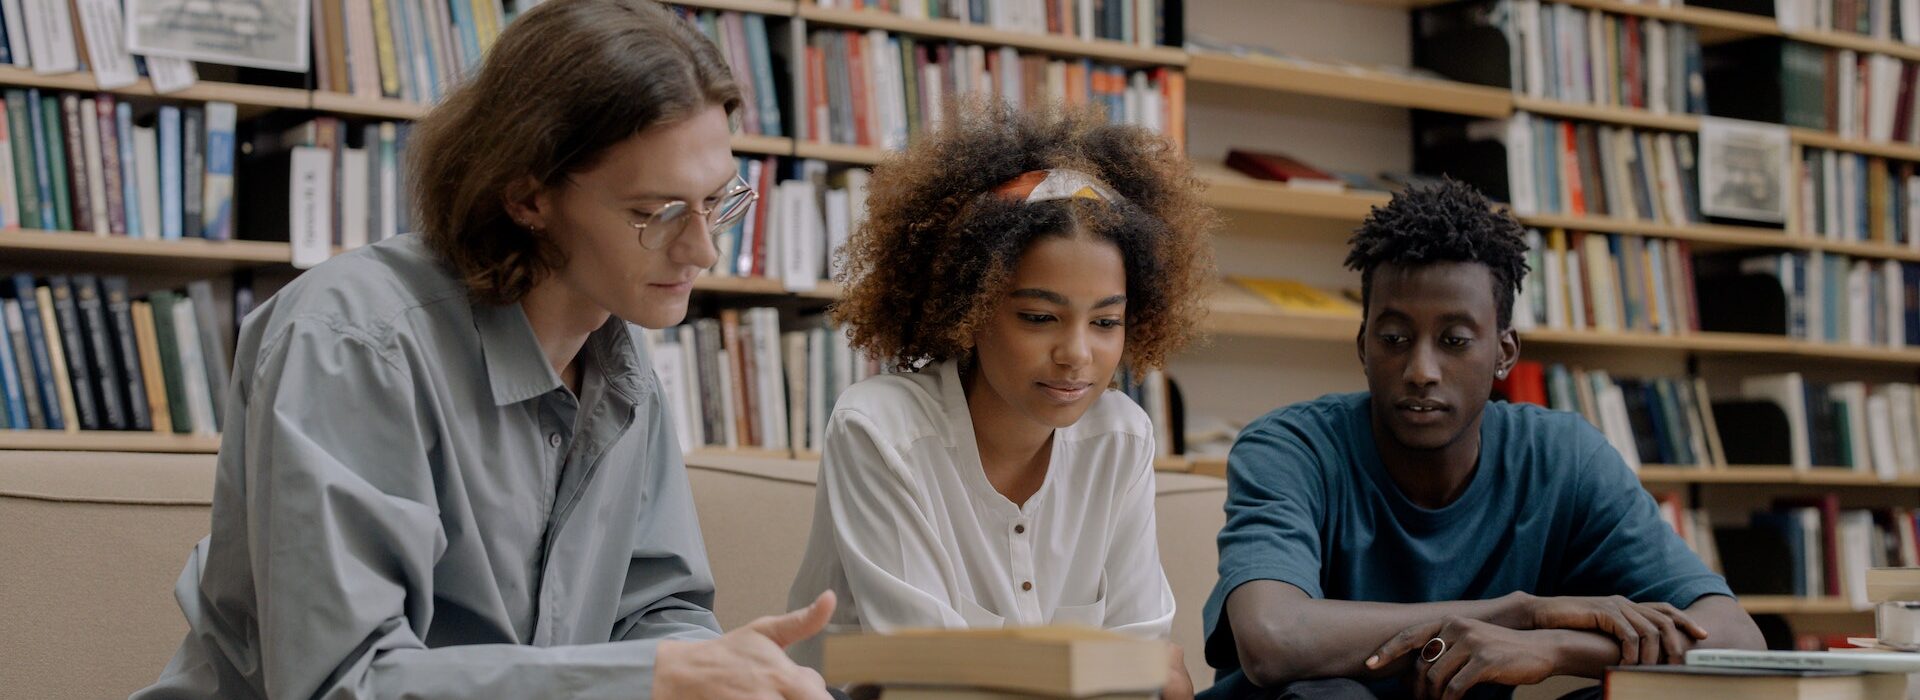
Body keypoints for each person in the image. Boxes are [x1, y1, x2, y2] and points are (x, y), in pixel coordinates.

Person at [134, 1, 839, 697]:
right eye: (657, 214)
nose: (704, 248)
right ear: (527, 197)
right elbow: (343, 681)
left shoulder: (621, 364)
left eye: (720, 200)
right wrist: (650, 678)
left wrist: (726, 678)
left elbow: (655, 610)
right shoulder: (352, 342)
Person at [1199, 181, 1765, 700]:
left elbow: (1737, 638)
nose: (1420, 369)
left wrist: (1556, 647)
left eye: (1454, 340)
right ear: (1362, 344)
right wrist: (1520, 613)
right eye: (1394, 337)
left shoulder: (1562, 459)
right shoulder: (1291, 447)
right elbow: (1273, 638)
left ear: (1504, 352)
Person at [786, 102, 1216, 699]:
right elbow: (929, 681)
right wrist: (1109, 670)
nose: (1077, 354)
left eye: (1106, 322)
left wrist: (1128, 671)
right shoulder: (880, 431)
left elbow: (1145, 669)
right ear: (971, 308)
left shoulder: (1122, 438)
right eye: (1040, 317)